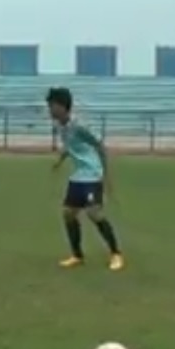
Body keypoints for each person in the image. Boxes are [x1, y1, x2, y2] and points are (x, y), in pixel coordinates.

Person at [46, 87, 124, 271]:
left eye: (52, 106)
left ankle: (116, 254)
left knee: (94, 213)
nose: (49, 110)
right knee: (68, 213)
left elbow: (100, 146)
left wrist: (106, 176)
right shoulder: (60, 126)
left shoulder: (79, 125)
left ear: (62, 107)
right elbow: (70, 145)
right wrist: (60, 160)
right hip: (78, 176)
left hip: (92, 175)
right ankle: (77, 256)